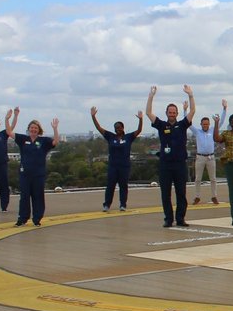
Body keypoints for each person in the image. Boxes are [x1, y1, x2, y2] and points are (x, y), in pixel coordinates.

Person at [146, 84, 195, 228]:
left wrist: (190, 95)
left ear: (177, 113)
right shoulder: (162, 125)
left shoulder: (183, 124)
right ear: (167, 113)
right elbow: (149, 113)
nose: (172, 114)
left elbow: (192, 111)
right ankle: (168, 219)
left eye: (174, 112)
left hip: (180, 164)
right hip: (165, 164)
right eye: (170, 112)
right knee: (165, 193)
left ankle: (180, 218)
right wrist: (151, 96)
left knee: (181, 193)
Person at [91, 106, 143, 211]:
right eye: (115, 127)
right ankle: (107, 205)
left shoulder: (128, 137)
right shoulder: (111, 137)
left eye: (119, 127)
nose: (117, 129)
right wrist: (93, 116)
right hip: (113, 166)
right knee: (110, 185)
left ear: (123, 128)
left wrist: (141, 119)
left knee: (123, 185)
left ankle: (123, 205)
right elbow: (99, 128)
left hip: (124, 166)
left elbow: (139, 130)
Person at [13, 116, 60, 227]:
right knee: (24, 197)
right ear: (28, 129)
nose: (33, 129)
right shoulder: (23, 139)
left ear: (39, 130)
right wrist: (12, 117)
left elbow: (55, 142)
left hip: (38, 174)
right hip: (25, 174)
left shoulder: (43, 141)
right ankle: (22, 218)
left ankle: (37, 218)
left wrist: (55, 128)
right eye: (32, 127)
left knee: (38, 196)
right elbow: (10, 132)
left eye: (36, 128)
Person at [191, 116, 219, 205]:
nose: (205, 125)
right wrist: (185, 110)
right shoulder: (197, 132)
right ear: (201, 124)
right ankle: (197, 196)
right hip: (200, 157)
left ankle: (214, 196)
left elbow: (220, 122)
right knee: (198, 179)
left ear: (209, 124)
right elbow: (189, 124)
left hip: (211, 157)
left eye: (207, 124)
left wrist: (224, 109)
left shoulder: (212, 130)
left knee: (213, 179)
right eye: (204, 124)